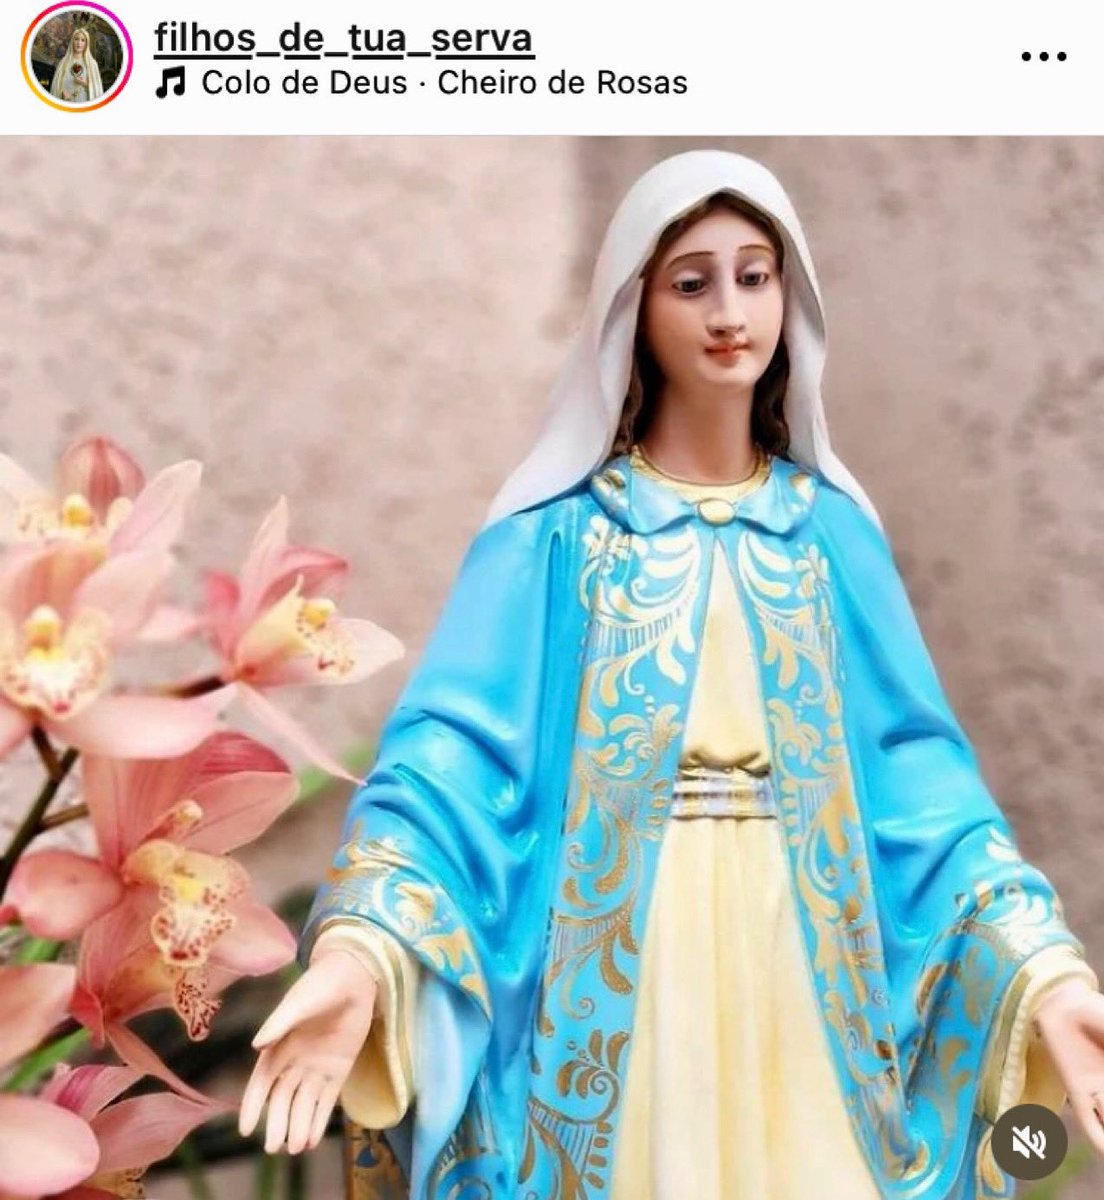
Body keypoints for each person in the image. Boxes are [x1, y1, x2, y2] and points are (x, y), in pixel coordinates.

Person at [240, 150, 1104, 1199]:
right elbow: (448, 770)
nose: (729, 312)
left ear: (790, 298)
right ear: (634, 309)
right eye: (692, 283)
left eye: (755, 276)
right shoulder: (555, 540)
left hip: (805, 955)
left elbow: (926, 791)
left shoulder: (830, 537)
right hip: (625, 970)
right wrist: (362, 950)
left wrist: (1044, 969)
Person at [48, 27, 105, 104]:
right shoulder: (63, 62)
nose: (79, 43)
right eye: (76, 39)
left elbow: (97, 90)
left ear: (86, 44)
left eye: (83, 40)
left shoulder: (92, 64)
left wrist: (85, 83)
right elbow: (56, 85)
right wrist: (62, 92)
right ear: (72, 41)